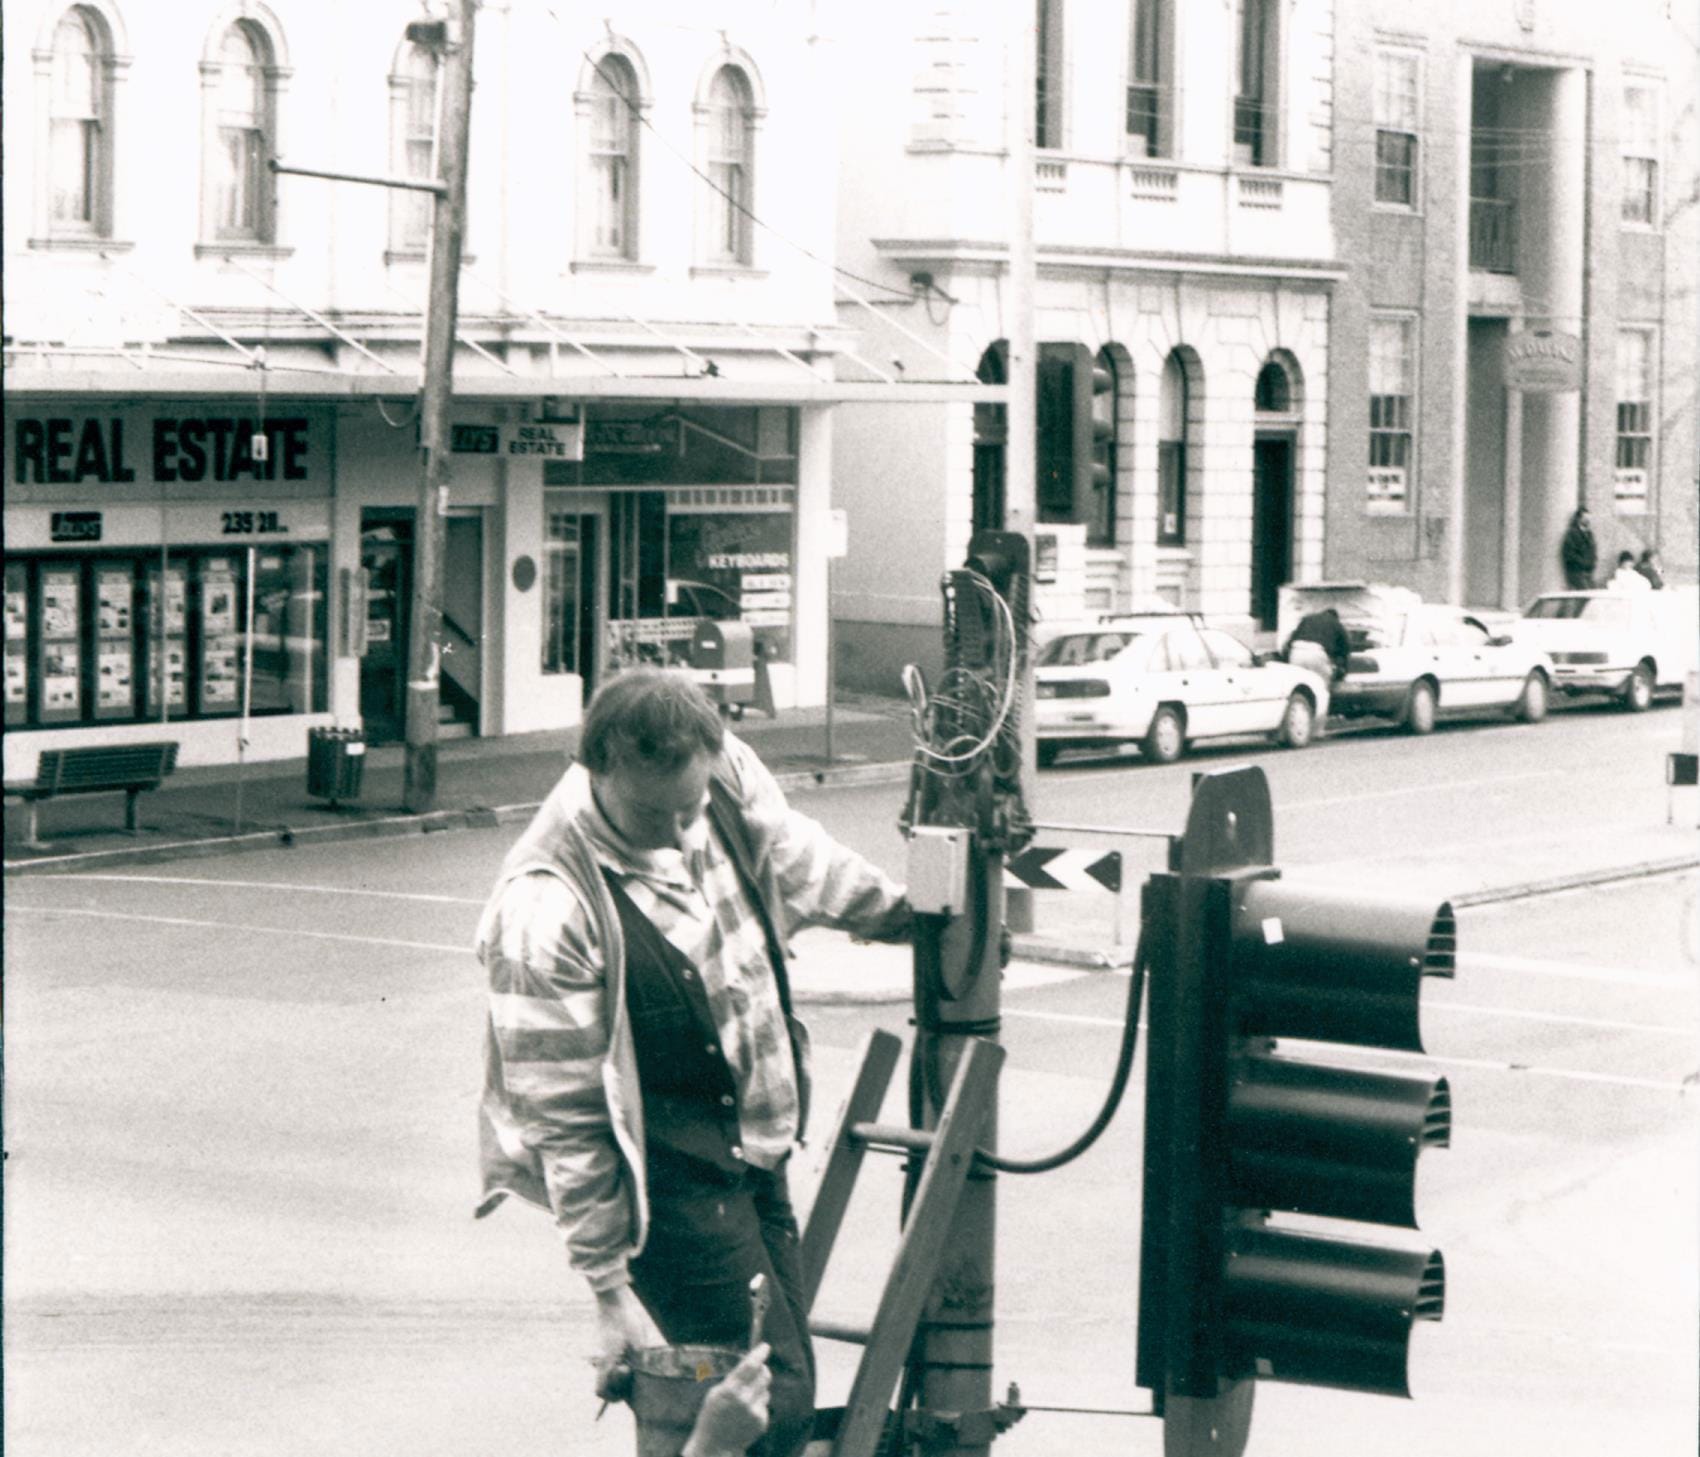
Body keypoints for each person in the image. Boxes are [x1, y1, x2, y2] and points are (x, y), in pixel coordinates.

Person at [475, 668, 911, 1457]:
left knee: (773, 1385)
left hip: (758, 1151)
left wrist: (900, 913)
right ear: (597, 764)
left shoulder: (726, 771)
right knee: (762, 1402)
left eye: (692, 808)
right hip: (673, 1190)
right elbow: (564, 1120)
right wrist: (609, 1290)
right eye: (655, 813)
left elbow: (792, 851)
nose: (682, 833)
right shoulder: (548, 907)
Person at [1283, 606, 1351, 682]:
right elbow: (1346, 647)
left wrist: (1287, 659)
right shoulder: (1335, 623)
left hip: (1296, 652)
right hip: (1317, 654)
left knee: (1299, 686)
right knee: (1320, 687)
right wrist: (1343, 668)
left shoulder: (1306, 619)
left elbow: (1288, 642)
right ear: (1336, 617)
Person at [1561, 506, 1597, 589]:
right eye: (1585, 517)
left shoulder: (1589, 534)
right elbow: (1569, 553)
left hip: (1588, 572)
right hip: (1576, 572)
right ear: (1578, 518)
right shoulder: (1572, 533)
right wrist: (1583, 563)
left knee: (1592, 594)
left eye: (1589, 517)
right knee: (1585, 594)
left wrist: (1592, 563)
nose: (1588, 520)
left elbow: (1593, 551)